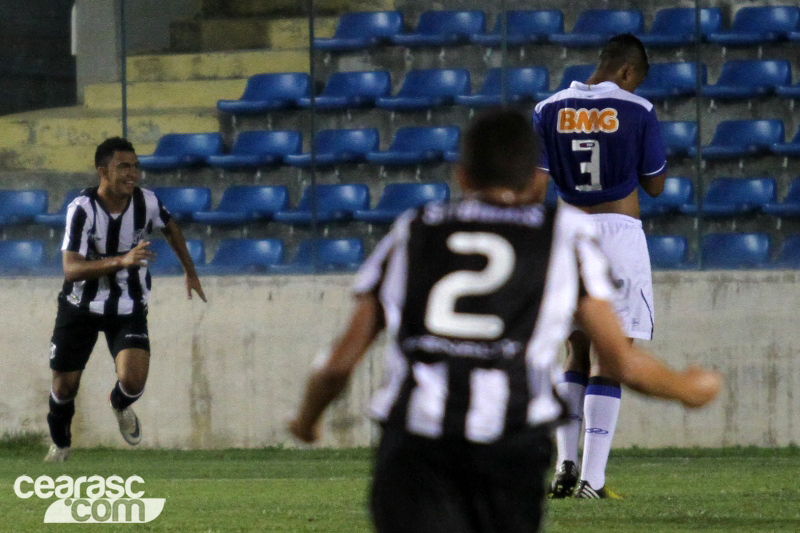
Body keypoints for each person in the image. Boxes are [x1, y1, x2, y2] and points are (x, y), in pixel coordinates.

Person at [288, 109, 719, 533]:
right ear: (536, 180)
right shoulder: (564, 236)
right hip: (510, 449)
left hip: (415, 449)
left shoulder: (414, 228)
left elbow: (338, 364)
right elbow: (620, 362)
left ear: (462, 176)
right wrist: (688, 389)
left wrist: (307, 421)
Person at [533, 33, 667, 499]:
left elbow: (535, 184)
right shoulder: (639, 110)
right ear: (628, 72)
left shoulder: (548, 109)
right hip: (617, 232)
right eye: (636, 81)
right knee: (614, 352)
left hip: (568, 231)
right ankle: (594, 477)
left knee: (574, 350)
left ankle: (565, 464)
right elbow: (654, 184)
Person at [44, 137, 207, 462]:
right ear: (102, 171)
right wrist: (121, 260)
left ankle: (119, 403)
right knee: (64, 387)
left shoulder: (146, 202)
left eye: (135, 166)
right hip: (80, 307)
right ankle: (60, 444)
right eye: (123, 167)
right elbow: (72, 269)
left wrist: (190, 271)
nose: (132, 174)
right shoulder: (82, 209)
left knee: (133, 381)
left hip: (128, 306)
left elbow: (171, 227)